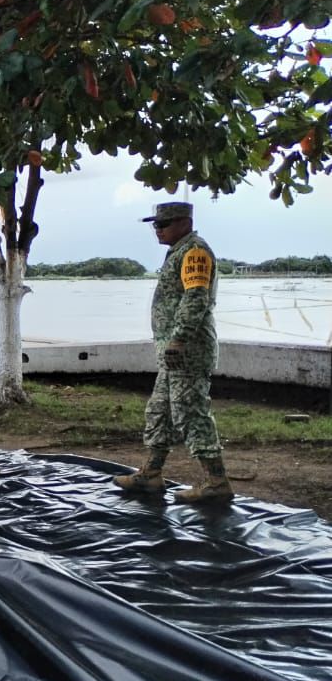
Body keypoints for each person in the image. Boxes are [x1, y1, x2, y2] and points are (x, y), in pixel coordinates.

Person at [113, 201, 232, 504]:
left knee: (191, 413)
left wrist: (179, 339)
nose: (158, 230)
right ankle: (151, 473)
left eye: (163, 224)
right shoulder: (178, 252)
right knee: (160, 412)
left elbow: (195, 299)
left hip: (188, 351)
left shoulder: (195, 253)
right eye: (155, 225)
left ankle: (216, 481)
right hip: (173, 352)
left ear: (184, 223)